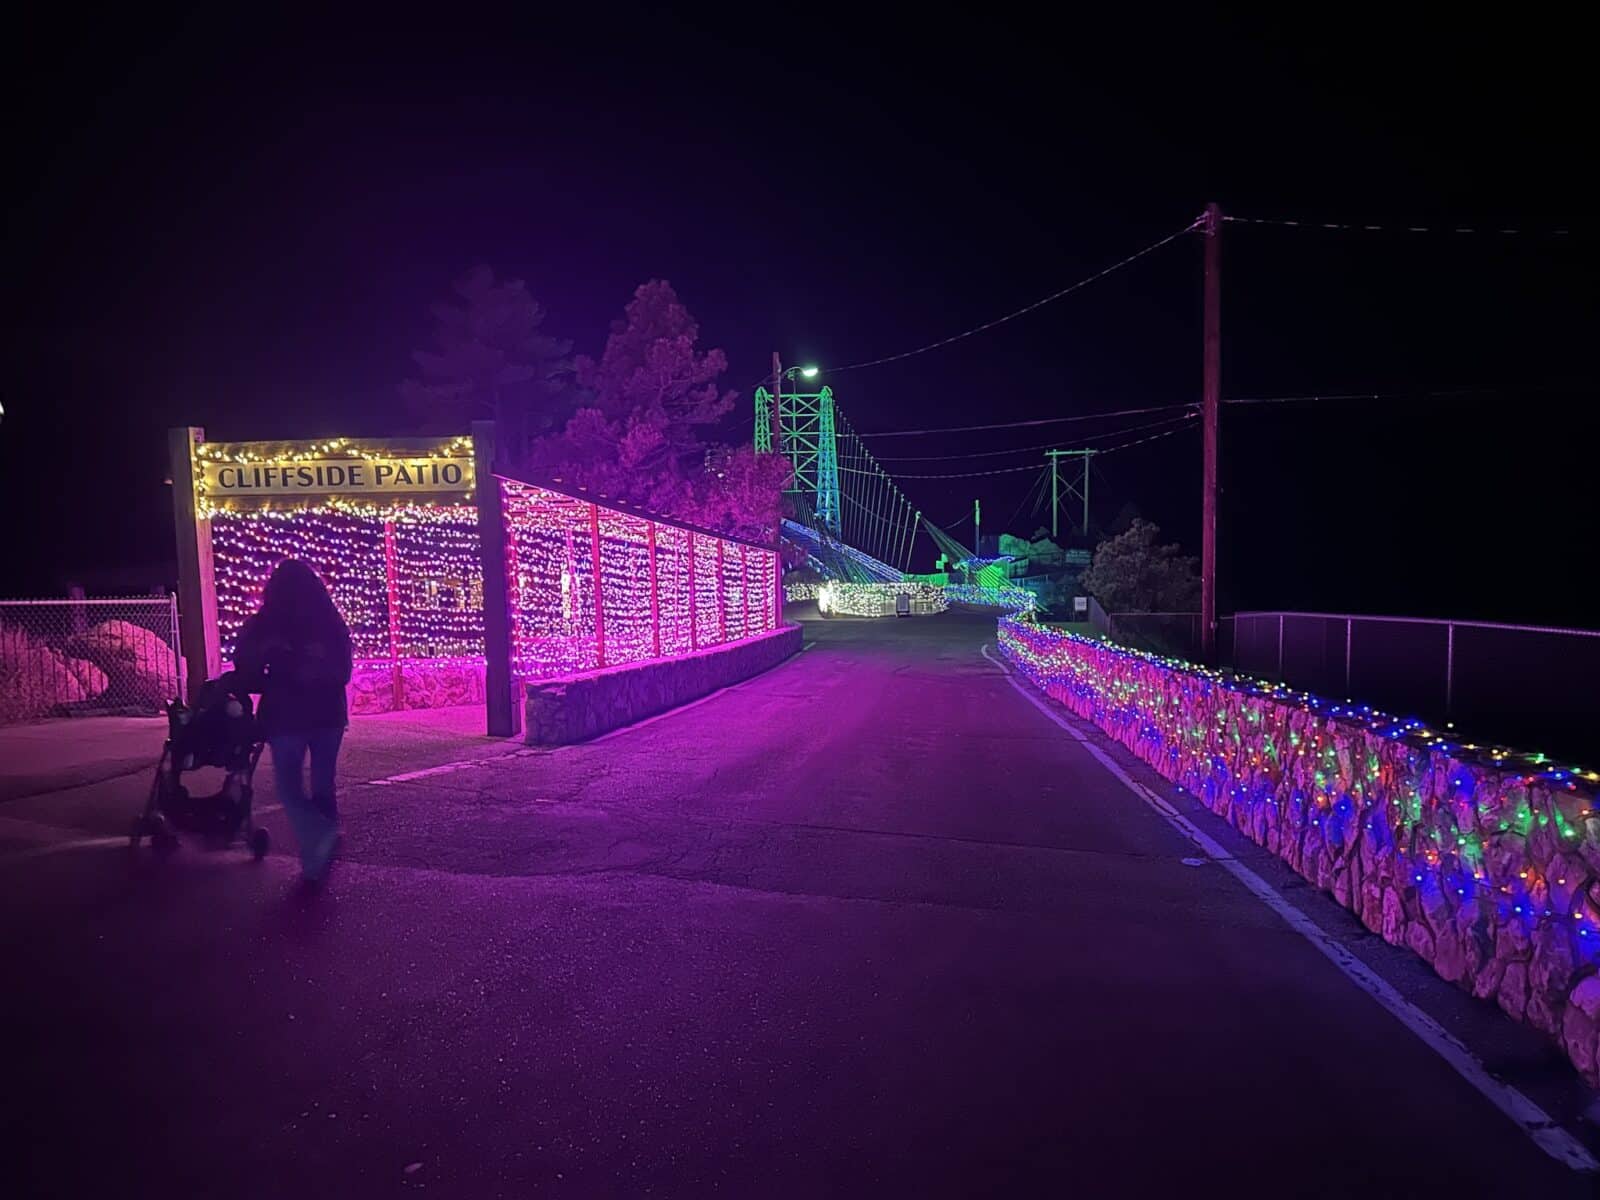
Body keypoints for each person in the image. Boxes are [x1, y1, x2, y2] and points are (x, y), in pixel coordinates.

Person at [234, 559, 353, 882]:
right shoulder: (329, 620)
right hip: (327, 712)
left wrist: (272, 664)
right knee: (322, 785)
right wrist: (317, 668)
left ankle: (318, 842)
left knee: (289, 788)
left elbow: (245, 665)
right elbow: (343, 670)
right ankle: (320, 853)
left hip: (287, 713)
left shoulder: (267, 622)